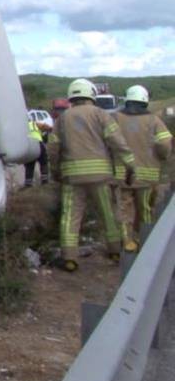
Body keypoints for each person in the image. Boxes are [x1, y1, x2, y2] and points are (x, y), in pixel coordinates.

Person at [48, 78, 135, 271]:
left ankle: (70, 257)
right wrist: (130, 165)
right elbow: (117, 142)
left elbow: (53, 148)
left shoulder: (62, 119)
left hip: (72, 177)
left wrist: (55, 171)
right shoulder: (101, 115)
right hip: (100, 175)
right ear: (91, 94)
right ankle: (114, 251)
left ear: (72, 96)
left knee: (70, 216)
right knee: (108, 214)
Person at [112, 85, 172, 252]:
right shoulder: (154, 121)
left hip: (122, 175)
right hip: (147, 175)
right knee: (144, 209)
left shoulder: (115, 118)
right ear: (145, 101)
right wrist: (161, 157)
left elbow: (106, 142)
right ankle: (142, 241)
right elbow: (165, 144)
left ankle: (125, 242)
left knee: (123, 210)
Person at [24, 117, 49, 187]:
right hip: (39, 144)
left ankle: (28, 184)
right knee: (43, 162)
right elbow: (46, 127)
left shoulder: (23, 126)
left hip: (30, 146)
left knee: (29, 165)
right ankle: (45, 181)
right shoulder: (35, 124)